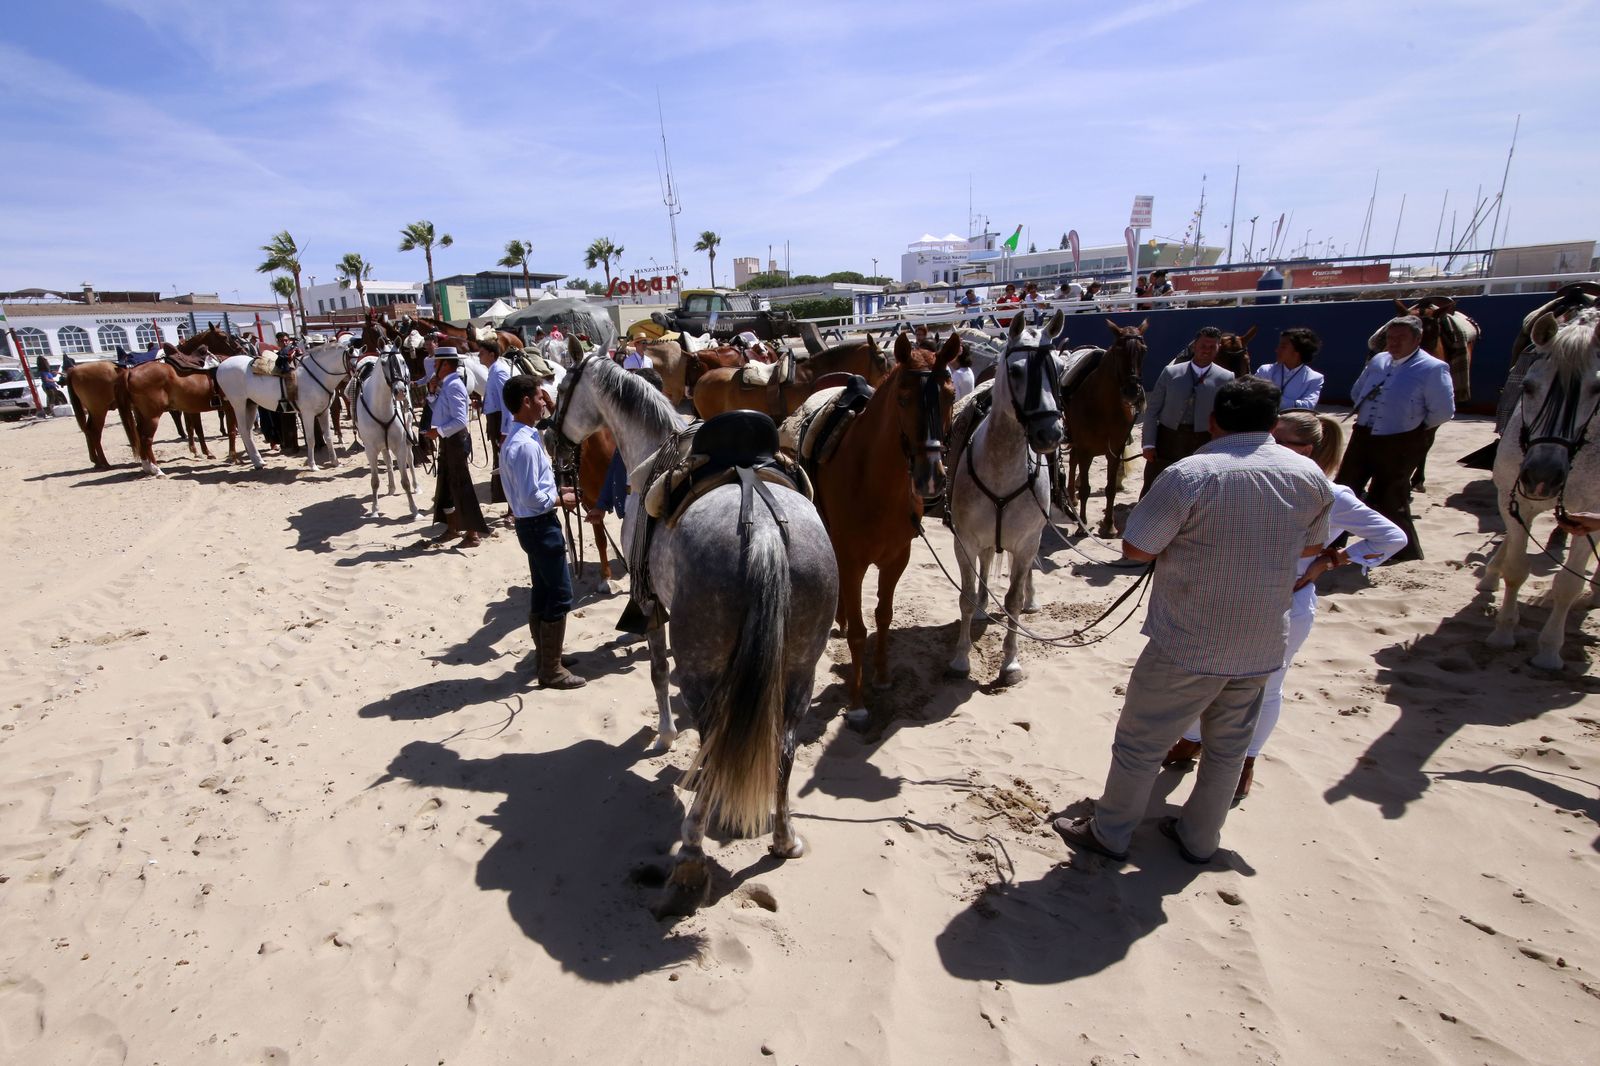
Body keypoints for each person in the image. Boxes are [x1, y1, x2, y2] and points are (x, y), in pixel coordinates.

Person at [1054, 376, 1332, 864]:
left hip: (1190, 638)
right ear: (1272, 423)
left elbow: (1138, 547)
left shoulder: (1191, 473)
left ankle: (1111, 833)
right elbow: (1311, 546)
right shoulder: (1309, 476)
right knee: (1228, 749)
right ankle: (1200, 838)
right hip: (1264, 639)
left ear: (1213, 420)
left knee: (1141, 742)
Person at [1163, 411, 1405, 799]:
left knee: (1267, 688)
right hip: (1235, 595)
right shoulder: (1262, 480)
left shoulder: (1331, 493)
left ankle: (1247, 760)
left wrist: (1333, 560)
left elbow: (1392, 537)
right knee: (1210, 676)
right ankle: (1192, 739)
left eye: (1278, 441)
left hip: (1286, 604)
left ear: (1306, 450)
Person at [1336, 315, 1454, 562]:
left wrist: (1411, 429)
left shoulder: (1433, 368)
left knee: (1390, 495)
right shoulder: (1379, 360)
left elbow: (1443, 411)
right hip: (1364, 435)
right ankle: (1334, 540)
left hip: (1400, 441)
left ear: (1417, 339)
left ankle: (1402, 552)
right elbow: (1358, 391)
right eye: (1391, 337)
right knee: (1346, 487)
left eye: (1401, 338)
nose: (1394, 343)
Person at [500, 373, 586, 689]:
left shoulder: (522, 437)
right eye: (539, 397)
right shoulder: (524, 446)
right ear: (526, 402)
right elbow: (532, 497)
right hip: (539, 524)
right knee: (560, 595)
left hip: (532, 525)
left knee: (543, 591)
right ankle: (550, 670)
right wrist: (561, 497)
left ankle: (547, 658)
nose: (543, 402)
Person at [1140, 326, 1236, 493]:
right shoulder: (1171, 372)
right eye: (1203, 346)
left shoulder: (1226, 377)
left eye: (1212, 347)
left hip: (1203, 440)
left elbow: (1225, 415)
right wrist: (1148, 444)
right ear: (1194, 346)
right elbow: (1152, 410)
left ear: (1218, 348)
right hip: (1167, 438)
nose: (1206, 350)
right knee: (1154, 485)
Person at [425, 347, 490, 548]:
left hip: (455, 441)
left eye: (436, 364)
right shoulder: (447, 384)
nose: (434, 367)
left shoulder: (454, 386)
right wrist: (431, 392)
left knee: (462, 488)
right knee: (447, 486)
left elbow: (461, 420)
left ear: (445, 365)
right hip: (448, 441)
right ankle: (453, 529)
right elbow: (440, 412)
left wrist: (439, 432)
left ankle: (472, 535)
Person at [478, 338, 512, 515]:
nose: (478, 355)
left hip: (500, 423)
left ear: (492, 354)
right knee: (501, 464)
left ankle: (513, 509)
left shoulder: (499, 372)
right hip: (495, 421)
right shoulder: (493, 371)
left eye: (482, 353)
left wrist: (505, 431)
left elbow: (507, 404)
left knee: (507, 466)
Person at [1257, 328, 1325, 410]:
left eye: (1283, 347)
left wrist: (1271, 400)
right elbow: (1254, 396)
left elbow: (1308, 406)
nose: (1277, 350)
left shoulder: (1314, 378)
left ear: (1298, 351)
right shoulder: (1265, 370)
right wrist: (1295, 403)